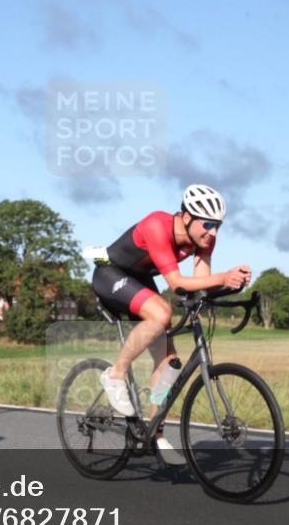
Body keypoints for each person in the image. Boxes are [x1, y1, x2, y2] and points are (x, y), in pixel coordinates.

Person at [92, 185, 250, 462]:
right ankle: (115, 374)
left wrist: (230, 288)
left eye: (218, 226)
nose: (213, 233)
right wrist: (224, 277)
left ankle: (155, 433)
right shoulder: (157, 225)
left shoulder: (205, 240)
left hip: (139, 281)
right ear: (187, 217)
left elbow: (200, 284)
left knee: (169, 364)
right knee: (162, 312)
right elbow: (177, 284)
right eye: (208, 224)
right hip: (111, 274)